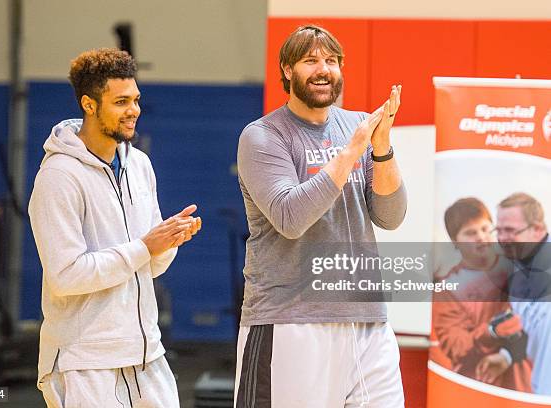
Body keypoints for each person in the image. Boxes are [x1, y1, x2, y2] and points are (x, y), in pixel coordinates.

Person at [234, 25, 407, 407]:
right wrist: (351, 151)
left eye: (331, 60)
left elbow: (390, 216)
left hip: (367, 319)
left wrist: (381, 150)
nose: (323, 69)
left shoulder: (358, 126)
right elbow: (290, 216)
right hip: (291, 319)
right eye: (310, 61)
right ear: (286, 70)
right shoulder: (263, 136)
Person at [29, 48, 201, 407]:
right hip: (85, 362)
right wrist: (145, 247)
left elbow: (150, 266)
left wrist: (169, 242)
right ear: (89, 105)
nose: (134, 110)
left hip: (145, 355)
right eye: (121, 101)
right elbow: (65, 275)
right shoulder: (58, 177)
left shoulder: (140, 165)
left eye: (136, 99)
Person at [431, 198, 531, 391]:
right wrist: (491, 331)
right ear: (455, 241)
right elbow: (456, 345)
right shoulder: (447, 289)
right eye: (471, 232)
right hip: (477, 386)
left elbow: (536, 324)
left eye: (485, 229)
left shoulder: (519, 268)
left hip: (523, 386)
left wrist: (507, 354)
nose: (481, 237)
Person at [497, 192, 551, 395]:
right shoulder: (516, 265)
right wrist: (507, 355)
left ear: (537, 229)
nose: (502, 238)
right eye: (499, 230)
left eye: (510, 230)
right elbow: (527, 327)